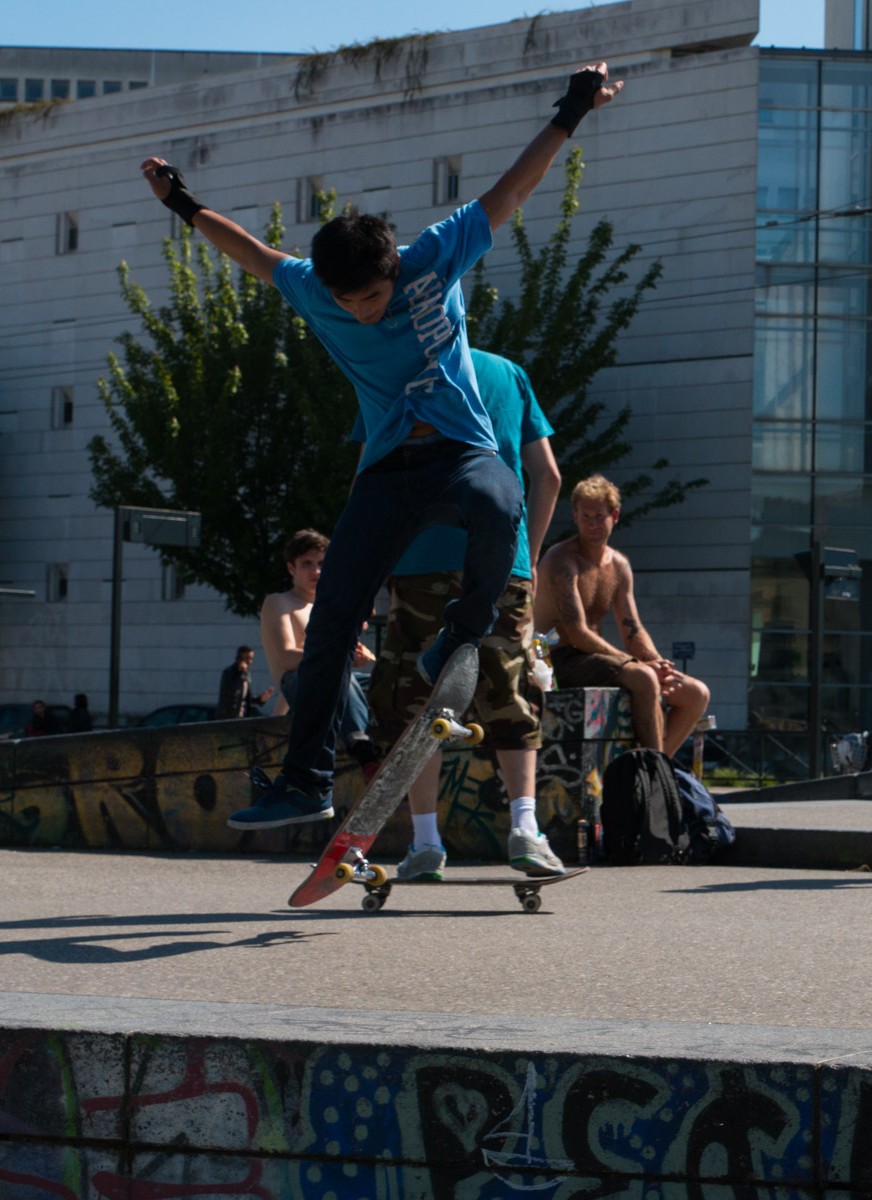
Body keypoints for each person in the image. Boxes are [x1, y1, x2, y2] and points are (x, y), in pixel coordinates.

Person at [142, 62, 624, 831]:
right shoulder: (314, 289)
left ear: (393, 270)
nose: (362, 314)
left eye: (371, 298)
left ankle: (458, 642)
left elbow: (511, 193)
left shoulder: (435, 257)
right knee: (333, 613)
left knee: (503, 512)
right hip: (390, 469)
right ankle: (305, 781)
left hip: (464, 452)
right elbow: (253, 254)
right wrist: (182, 203)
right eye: (347, 303)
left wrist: (573, 110)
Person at [368, 350, 564, 880]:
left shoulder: (395, 367)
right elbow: (547, 475)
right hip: (503, 560)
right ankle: (526, 830)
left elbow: (371, 475)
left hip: (418, 561)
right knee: (509, 691)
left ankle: (426, 843)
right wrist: (528, 553)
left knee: (416, 697)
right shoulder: (508, 374)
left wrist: (363, 569)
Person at [535, 475, 711, 759]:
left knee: (696, 693)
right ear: (575, 516)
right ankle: (652, 773)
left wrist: (655, 661)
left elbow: (633, 628)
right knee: (642, 677)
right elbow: (577, 632)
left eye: (599, 516)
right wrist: (634, 664)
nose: (592, 524)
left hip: (597, 660)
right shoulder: (561, 560)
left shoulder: (618, 565)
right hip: (555, 660)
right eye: (585, 516)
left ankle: (653, 770)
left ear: (614, 516)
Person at [258, 530, 378, 773]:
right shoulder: (279, 602)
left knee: (384, 682)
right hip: (300, 683)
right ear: (291, 568)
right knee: (333, 674)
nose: (316, 571)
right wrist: (339, 655)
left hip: (338, 683)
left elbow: (345, 652)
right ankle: (362, 748)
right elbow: (286, 657)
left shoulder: (332, 607)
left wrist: (355, 655)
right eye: (307, 564)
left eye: (322, 563)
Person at [216, 646, 267, 721]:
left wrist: (260, 700)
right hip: (228, 717)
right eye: (247, 658)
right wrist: (241, 674)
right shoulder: (229, 673)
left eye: (251, 658)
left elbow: (245, 698)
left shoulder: (246, 674)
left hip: (243, 717)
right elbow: (229, 693)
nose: (250, 661)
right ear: (239, 658)